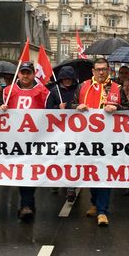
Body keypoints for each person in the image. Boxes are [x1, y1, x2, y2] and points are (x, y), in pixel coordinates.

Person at [71, 57, 127, 226]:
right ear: (93, 71)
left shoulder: (117, 88)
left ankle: (103, 211)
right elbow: (72, 104)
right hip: (86, 139)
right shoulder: (83, 87)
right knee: (91, 173)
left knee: (105, 173)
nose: (101, 72)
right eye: (98, 69)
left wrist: (116, 108)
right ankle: (95, 203)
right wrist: (76, 107)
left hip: (109, 140)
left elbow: (128, 109)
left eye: (104, 69)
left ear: (109, 70)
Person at [0, 61, 50, 222]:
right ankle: (27, 204)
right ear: (18, 74)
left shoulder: (42, 91)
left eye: (28, 72)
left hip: (35, 139)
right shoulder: (8, 91)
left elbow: (51, 112)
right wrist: (0, 108)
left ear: (33, 74)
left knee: (30, 170)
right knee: (20, 170)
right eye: (23, 72)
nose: (25, 75)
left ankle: (26, 204)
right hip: (14, 139)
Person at [46, 65, 79, 202]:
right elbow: (46, 110)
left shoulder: (78, 90)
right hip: (58, 130)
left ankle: (70, 187)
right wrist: (57, 108)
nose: (66, 81)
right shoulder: (54, 92)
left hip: (74, 130)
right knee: (58, 157)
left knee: (71, 158)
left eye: (69, 79)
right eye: (64, 79)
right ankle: (56, 181)